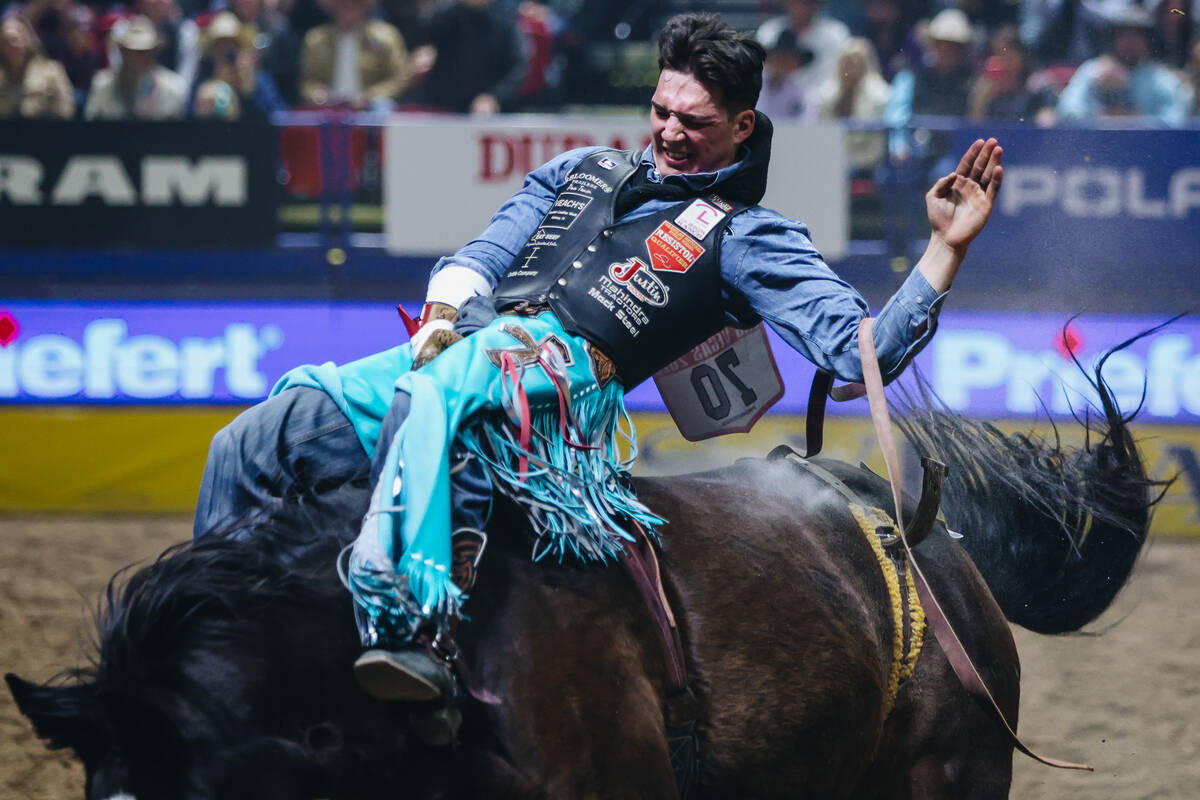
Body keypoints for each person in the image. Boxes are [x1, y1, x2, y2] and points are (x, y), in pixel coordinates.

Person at [194, 12, 1003, 706]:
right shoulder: (574, 171)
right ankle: (207, 645)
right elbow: (484, 252)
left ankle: (415, 631)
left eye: (695, 121)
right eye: (662, 111)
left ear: (743, 128)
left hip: (564, 395)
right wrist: (444, 315)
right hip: (463, 350)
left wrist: (942, 253)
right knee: (261, 435)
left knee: (446, 391)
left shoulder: (749, 236)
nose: (671, 132)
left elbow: (857, 352)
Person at [1057, 6, 1191, 126]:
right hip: (1096, 147)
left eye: (1137, 35)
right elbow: (1068, 111)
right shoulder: (1091, 71)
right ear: (1114, 38)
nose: (1130, 42)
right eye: (1125, 34)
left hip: (1147, 149)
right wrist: (1100, 114)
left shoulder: (1161, 80)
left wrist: (1134, 119)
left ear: (1147, 41)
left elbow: (1175, 122)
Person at [299, 0, 409, 109]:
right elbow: (307, 81)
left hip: (371, 106)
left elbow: (398, 78)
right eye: (343, 3)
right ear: (332, 6)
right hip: (328, 107)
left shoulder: (386, 37)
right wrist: (316, 93)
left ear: (366, 6)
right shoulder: (316, 39)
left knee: (382, 107)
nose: (348, 7)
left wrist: (368, 97)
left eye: (355, 3)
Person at [84, 15, 187, 119]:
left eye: (143, 52)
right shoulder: (102, 84)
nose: (136, 57)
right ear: (123, 52)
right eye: (130, 51)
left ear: (153, 52)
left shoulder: (173, 87)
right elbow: (91, 125)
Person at [0, 14, 74, 118]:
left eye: (17, 38)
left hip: (44, 132)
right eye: (7, 41)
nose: (13, 44)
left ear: (29, 39)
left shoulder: (52, 72)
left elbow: (66, 111)